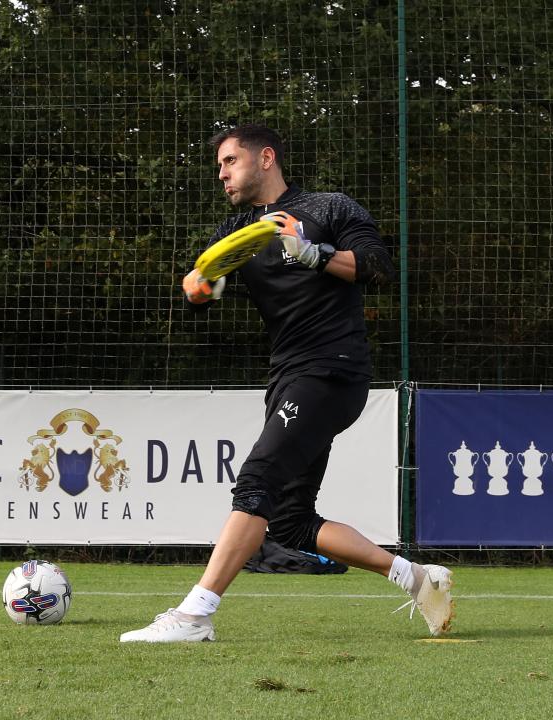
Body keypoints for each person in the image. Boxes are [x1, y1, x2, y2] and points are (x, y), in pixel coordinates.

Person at [120, 124, 453, 643]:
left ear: (266, 158)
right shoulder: (235, 231)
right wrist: (198, 287)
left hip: (332, 370)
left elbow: (379, 268)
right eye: (219, 166)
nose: (222, 174)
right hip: (288, 376)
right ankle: (416, 578)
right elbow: (200, 285)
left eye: (230, 161)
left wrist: (314, 253)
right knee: (292, 522)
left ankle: (194, 616)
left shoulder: (328, 208)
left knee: (256, 481)